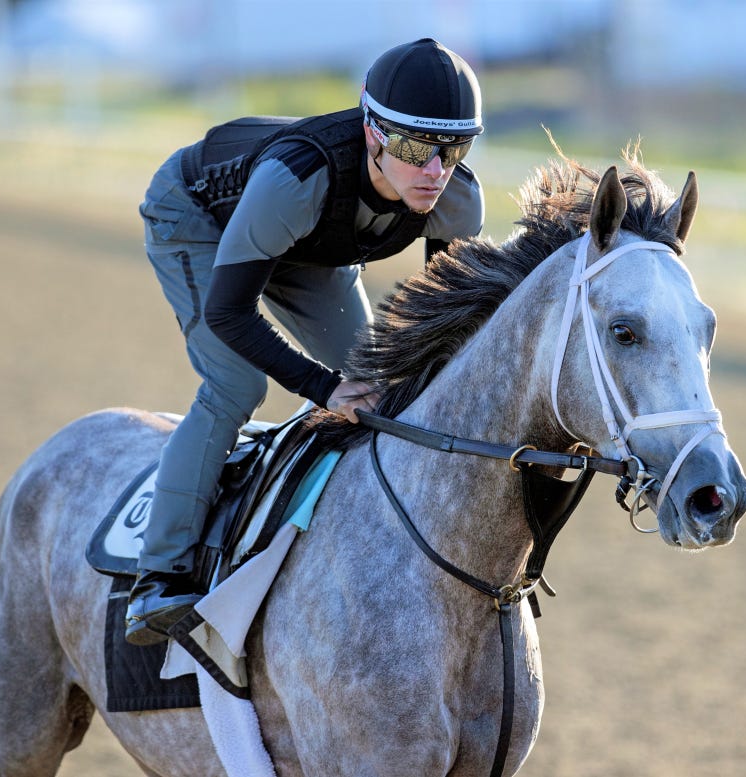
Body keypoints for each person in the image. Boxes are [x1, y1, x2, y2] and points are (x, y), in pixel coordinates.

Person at [125, 38, 486, 645]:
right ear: (373, 133)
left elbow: (437, 330)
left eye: (456, 147)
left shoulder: (455, 199)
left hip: (305, 240)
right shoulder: (297, 180)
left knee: (384, 389)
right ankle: (158, 576)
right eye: (418, 147)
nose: (436, 170)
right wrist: (323, 390)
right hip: (198, 219)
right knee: (236, 385)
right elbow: (228, 313)